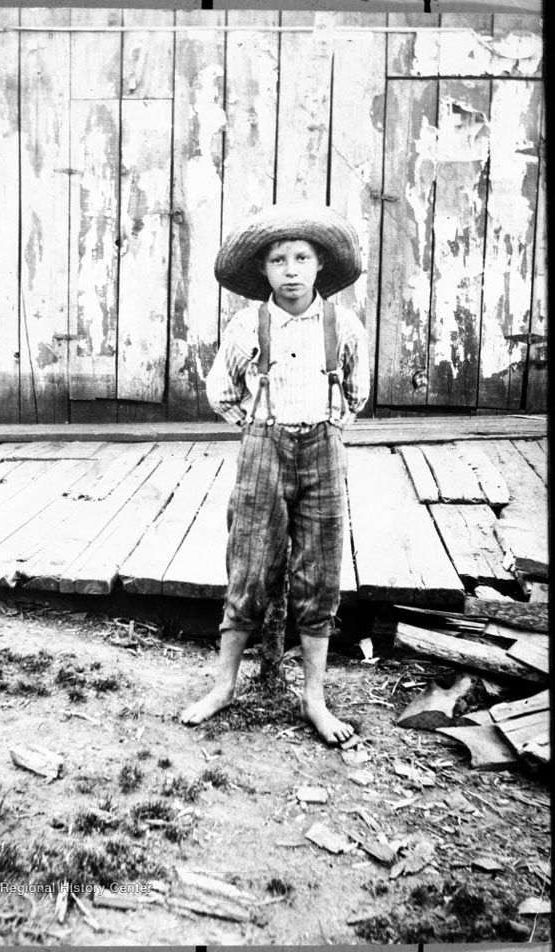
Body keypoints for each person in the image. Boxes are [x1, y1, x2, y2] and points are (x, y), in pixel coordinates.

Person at [180, 203, 369, 745]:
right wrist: (253, 424)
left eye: (302, 258)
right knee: (249, 564)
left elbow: (356, 392)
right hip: (263, 447)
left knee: (319, 571)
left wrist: (333, 426)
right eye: (278, 260)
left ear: (318, 266)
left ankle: (315, 698)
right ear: (263, 270)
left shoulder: (343, 324)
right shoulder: (247, 324)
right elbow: (220, 389)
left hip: (323, 451)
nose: (290, 270)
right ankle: (224, 685)